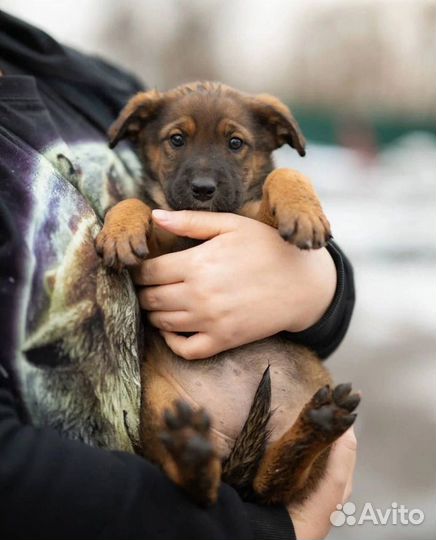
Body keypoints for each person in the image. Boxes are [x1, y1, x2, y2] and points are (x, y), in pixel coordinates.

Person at [0, 10, 356, 540]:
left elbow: (303, 242)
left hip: (267, 390)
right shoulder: (145, 199)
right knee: (165, 407)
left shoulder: (87, 80)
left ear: (272, 138)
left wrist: (322, 286)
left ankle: (295, 448)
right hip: (176, 433)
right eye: (178, 142)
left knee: (310, 390)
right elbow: (143, 230)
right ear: (139, 136)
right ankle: (198, 466)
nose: (206, 173)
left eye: (235, 144)